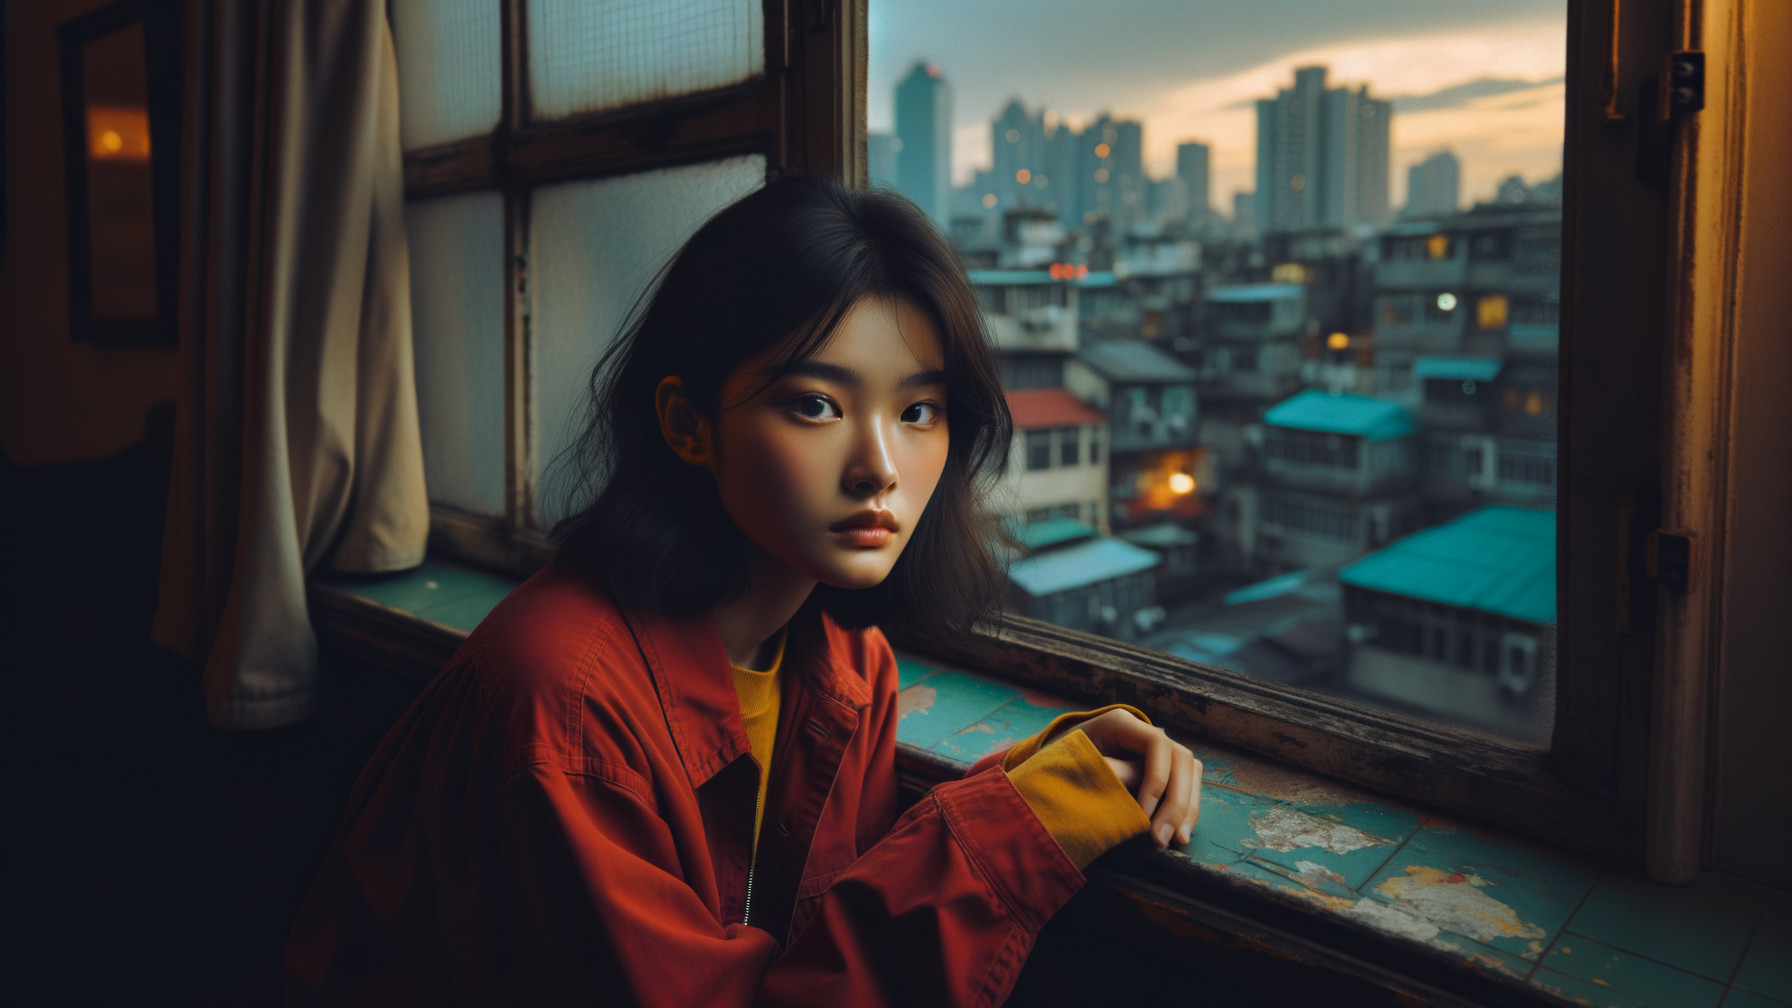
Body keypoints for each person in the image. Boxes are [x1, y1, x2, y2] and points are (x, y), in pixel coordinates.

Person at [284, 175, 1200, 1006]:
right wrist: (1018, 829)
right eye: (815, 404)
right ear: (688, 424)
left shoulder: (850, 668)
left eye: (918, 411)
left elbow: (811, 955)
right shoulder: (562, 702)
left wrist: (1048, 785)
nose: (880, 468)